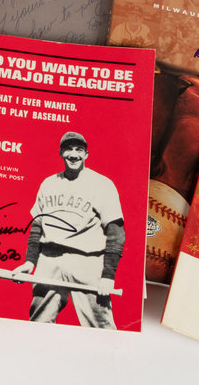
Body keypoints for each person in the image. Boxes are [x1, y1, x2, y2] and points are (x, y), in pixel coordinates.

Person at [12, 132, 124, 329]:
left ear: (86, 154)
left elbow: (116, 231)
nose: (73, 154)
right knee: (38, 324)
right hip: (49, 260)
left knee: (101, 327)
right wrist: (30, 262)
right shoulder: (48, 183)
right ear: (61, 153)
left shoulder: (102, 184)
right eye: (68, 149)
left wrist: (108, 275)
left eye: (79, 150)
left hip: (87, 261)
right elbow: (37, 225)